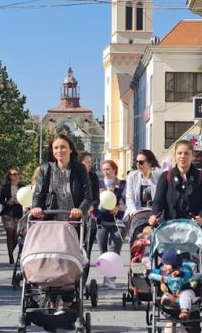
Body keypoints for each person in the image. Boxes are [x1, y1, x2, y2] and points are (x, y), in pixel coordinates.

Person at [31, 133, 92, 313]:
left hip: (73, 223)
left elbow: (89, 196)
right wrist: (36, 208)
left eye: (63, 147)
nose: (60, 150)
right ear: (52, 150)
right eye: (56, 147)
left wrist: (79, 209)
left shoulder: (79, 169)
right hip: (52, 223)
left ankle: (67, 299)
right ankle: (50, 298)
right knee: (53, 259)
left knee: (71, 259)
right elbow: (38, 195)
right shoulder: (45, 170)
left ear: (70, 149)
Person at [151, 141, 202, 261]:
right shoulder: (166, 177)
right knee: (169, 265)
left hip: (192, 230)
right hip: (170, 230)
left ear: (192, 156)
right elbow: (158, 201)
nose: (182, 156)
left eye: (186, 153)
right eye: (179, 153)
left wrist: (201, 217)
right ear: (175, 156)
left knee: (191, 266)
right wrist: (154, 215)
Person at [96, 159, 126, 289]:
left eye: (108, 169)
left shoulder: (123, 184)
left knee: (114, 250)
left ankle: (111, 278)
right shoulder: (99, 183)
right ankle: (105, 275)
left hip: (118, 222)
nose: (106, 172)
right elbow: (96, 202)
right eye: (103, 169)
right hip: (102, 221)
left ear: (114, 170)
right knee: (103, 251)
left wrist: (118, 208)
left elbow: (126, 201)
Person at [147, 248, 201, 320]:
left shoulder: (183, 269)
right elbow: (154, 272)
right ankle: (169, 302)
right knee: (165, 296)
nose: (164, 266)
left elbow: (188, 274)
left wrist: (180, 273)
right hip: (173, 296)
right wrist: (148, 272)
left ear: (175, 265)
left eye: (167, 264)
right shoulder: (163, 272)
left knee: (185, 295)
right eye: (164, 264)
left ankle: (184, 311)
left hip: (182, 292)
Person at [125, 149, 161, 220]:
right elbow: (129, 197)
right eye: (137, 161)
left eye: (141, 162)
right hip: (137, 213)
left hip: (154, 214)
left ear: (149, 163)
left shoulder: (158, 176)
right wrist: (133, 212)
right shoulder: (132, 176)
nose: (138, 164)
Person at [0, 168, 23, 265]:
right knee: (9, 233)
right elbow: (0, 200)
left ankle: (11, 251)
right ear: (9, 176)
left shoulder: (22, 187)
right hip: (7, 213)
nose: (15, 176)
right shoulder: (5, 187)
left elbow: (27, 198)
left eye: (17, 174)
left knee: (16, 237)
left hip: (18, 213)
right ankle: (11, 256)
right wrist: (8, 202)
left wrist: (20, 202)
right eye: (13, 174)